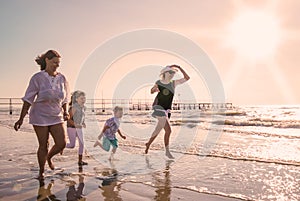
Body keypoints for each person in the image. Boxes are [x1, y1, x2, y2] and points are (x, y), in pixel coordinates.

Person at [14, 50, 70, 180]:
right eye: (54, 62)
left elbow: (66, 97)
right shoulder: (37, 78)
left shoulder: (62, 78)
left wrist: (66, 111)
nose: (57, 65)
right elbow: (28, 98)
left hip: (56, 115)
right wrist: (21, 119)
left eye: (58, 63)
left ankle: (49, 157)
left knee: (61, 143)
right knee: (43, 144)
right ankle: (41, 171)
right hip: (39, 115)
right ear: (47, 61)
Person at [145, 65, 190, 159]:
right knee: (168, 130)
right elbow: (151, 91)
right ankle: (167, 151)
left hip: (166, 110)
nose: (173, 74)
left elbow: (187, 78)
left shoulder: (173, 83)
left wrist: (179, 67)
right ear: (165, 73)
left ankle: (148, 144)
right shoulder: (159, 82)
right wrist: (154, 90)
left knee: (158, 129)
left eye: (173, 73)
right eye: (171, 72)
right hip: (158, 108)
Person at [65, 90, 88, 166]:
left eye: (84, 98)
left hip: (79, 128)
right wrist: (75, 124)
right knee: (72, 145)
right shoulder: (73, 108)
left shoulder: (84, 108)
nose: (83, 100)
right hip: (71, 128)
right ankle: (61, 145)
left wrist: (83, 123)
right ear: (76, 99)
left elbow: (82, 117)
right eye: (81, 98)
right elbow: (68, 119)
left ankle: (80, 161)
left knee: (82, 144)